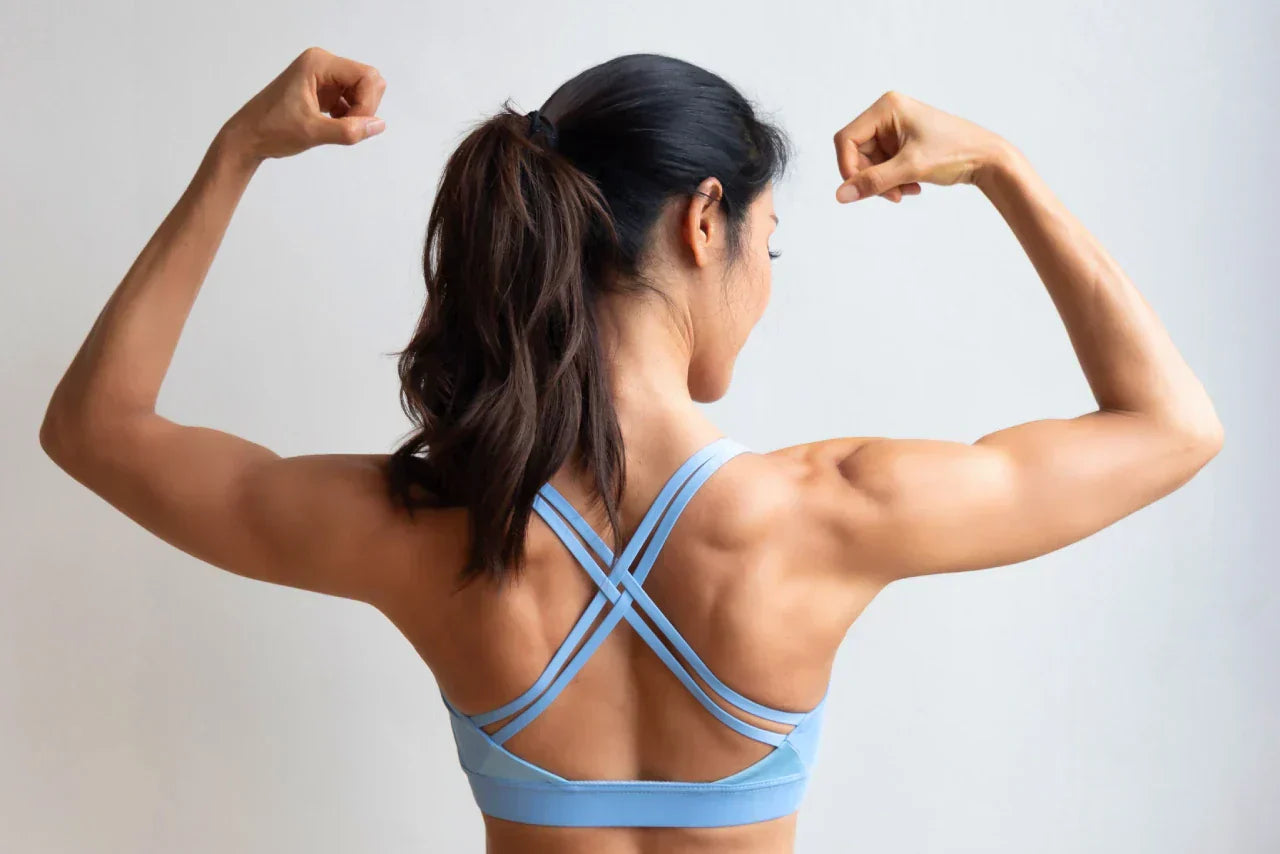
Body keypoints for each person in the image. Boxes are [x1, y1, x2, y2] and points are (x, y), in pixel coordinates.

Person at [38, 46, 1223, 854]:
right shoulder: (833, 512)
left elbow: (97, 429)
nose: (763, 286)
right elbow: (1170, 426)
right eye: (770, 243)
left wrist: (238, 148)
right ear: (703, 220)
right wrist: (1001, 166)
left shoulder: (429, 527)